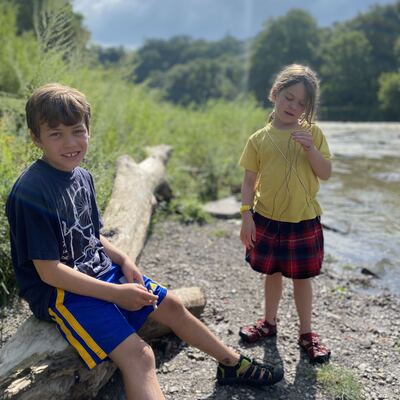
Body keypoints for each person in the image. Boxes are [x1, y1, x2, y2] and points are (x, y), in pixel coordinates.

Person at [5, 83, 283, 400]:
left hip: (99, 272)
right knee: (140, 356)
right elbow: (49, 272)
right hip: (61, 293)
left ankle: (231, 363)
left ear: (88, 130)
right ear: (36, 138)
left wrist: (124, 261)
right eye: (56, 134)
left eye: (77, 131)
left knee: (173, 305)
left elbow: (89, 234)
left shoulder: (82, 176)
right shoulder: (31, 192)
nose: (70, 143)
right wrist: (116, 294)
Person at [238, 64, 332, 364]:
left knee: (302, 278)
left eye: (301, 103)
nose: (293, 106)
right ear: (275, 93)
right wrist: (246, 216)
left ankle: (306, 334)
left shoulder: (312, 133)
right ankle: (269, 323)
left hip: (303, 219)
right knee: (273, 273)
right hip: (267, 219)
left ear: (308, 108)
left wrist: (311, 150)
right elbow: (249, 182)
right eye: (289, 97)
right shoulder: (258, 139)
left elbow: (326, 172)